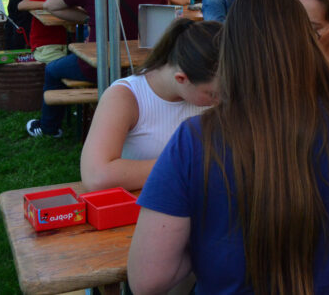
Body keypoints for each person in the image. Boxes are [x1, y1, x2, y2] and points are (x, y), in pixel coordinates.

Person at [127, 0, 329, 293]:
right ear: (307, 44)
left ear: (230, 52)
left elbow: (148, 279)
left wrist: (206, 245)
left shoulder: (194, 139)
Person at [29, 0, 170, 137]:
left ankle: (49, 128)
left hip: (99, 67)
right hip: (143, 66)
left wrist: (89, 17)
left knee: (52, 69)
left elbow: (50, 5)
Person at [80, 19, 222, 191]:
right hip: (143, 202)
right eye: (212, 94)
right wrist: (187, 165)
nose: (220, 100)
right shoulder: (125, 97)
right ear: (181, 78)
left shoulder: (210, 89)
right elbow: (96, 176)